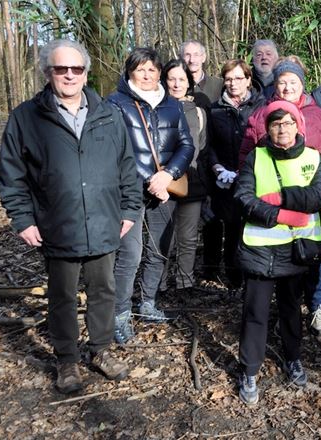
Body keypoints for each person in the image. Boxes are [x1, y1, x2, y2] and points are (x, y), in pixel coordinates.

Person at [0, 39, 141, 393]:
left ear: (86, 72)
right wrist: (23, 219)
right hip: (57, 225)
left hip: (105, 220)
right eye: (61, 69)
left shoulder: (108, 113)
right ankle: (67, 361)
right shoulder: (27, 117)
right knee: (61, 295)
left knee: (103, 291)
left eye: (77, 69)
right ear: (48, 73)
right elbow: (11, 174)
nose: (69, 75)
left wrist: (128, 209)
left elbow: (127, 166)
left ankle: (101, 350)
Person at [241, 59, 321, 336]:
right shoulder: (260, 114)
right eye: (282, 82)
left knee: (315, 257)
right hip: (270, 208)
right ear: (275, 84)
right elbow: (247, 157)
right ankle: (285, 312)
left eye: (293, 82)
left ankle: (317, 306)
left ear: (302, 85)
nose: (287, 87)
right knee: (280, 261)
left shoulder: (318, 115)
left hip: (311, 203)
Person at [235, 102, 321, 405]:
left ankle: (293, 358)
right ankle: (249, 369)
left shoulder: (314, 158)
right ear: (268, 128)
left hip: (296, 252)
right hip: (260, 250)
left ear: (298, 126)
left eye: (289, 122)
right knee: (255, 314)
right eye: (276, 123)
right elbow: (243, 197)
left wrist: (280, 197)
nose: (283, 128)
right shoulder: (256, 157)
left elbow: (317, 197)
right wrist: (283, 215)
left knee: (291, 310)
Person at [107, 48, 195, 344]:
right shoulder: (115, 103)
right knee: (129, 254)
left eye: (153, 70)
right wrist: (149, 179)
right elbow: (114, 149)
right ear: (129, 71)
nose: (147, 75)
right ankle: (119, 314)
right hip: (128, 192)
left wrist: (168, 174)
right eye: (141, 69)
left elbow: (186, 144)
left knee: (159, 249)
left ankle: (147, 303)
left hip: (164, 187)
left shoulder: (172, 104)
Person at [204, 60, 266, 292]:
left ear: (249, 80)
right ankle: (233, 279)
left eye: (239, 78)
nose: (233, 83)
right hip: (225, 179)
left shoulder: (262, 106)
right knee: (230, 228)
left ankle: (253, 275)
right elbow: (208, 146)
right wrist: (216, 167)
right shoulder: (215, 109)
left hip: (255, 177)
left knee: (251, 226)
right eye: (228, 79)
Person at [157, 58, 210, 293]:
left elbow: (202, 147)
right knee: (162, 239)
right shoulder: (153, 108)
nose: (177, 84)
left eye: (182, 79)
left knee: (188, 238)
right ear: (164, 80)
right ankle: (158, 283)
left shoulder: (198, 112)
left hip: (192, 182)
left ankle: (184, 283)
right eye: (172, 79)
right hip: (160, 183)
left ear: (189, 82)